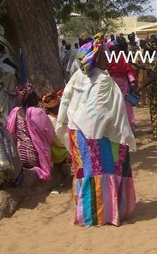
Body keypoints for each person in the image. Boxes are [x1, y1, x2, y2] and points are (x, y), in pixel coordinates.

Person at [56, 33, 136, 227]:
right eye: (105, 55)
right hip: (97, 135)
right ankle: (104, 213)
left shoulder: (78, 76)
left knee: (85, 170)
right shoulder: (103, 80)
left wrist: (68, 124)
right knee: (104, 169)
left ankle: (89, 211)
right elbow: (101, 112)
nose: (109, 58)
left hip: (77, 131)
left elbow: (66, 103)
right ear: (96, 58)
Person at [6, 83, 54, 180]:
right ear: (29, 99)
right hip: (36, 159)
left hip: (20, 158)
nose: (37, 97)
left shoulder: (15, 112)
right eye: (34, 96)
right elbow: (49, 137)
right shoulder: (37, 112)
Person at [108, 40, 138, 132]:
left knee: (126, 107)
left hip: (124, 86)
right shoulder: (107, 60)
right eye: (112, 50)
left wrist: (132, 81)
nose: (114, 51)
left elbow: (129, 70)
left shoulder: (122, 59)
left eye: (115, 49)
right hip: (112, 87)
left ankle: (130, 127)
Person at [40, 89, 70, 164]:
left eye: (57, 106)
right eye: (55, 108)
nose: (57, 109)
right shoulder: (49, 120)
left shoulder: (62, 114)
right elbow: (56, 141)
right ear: (48, 109)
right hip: (60, 150)